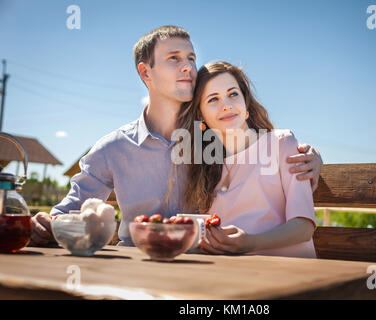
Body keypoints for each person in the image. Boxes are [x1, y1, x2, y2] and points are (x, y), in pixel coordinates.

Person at [30, 25, 323, 247]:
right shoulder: (114, 148)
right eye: (173, 58)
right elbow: (67, 212)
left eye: (191, 58)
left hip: (204, 273)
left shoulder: (213, 138)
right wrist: (44, 222)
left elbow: (261, 151)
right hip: (134, 270)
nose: (188, 66)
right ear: (146, 73)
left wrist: (311, 158)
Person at [172, 61, 316, 258]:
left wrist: (250, 243)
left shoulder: (281, 143)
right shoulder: (207, 167)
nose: (227, 105)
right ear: (200, 115)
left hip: (288, 272)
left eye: (233, 94)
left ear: (245, 103)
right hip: (232, 275)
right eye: (213, 99)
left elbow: (303, 227)